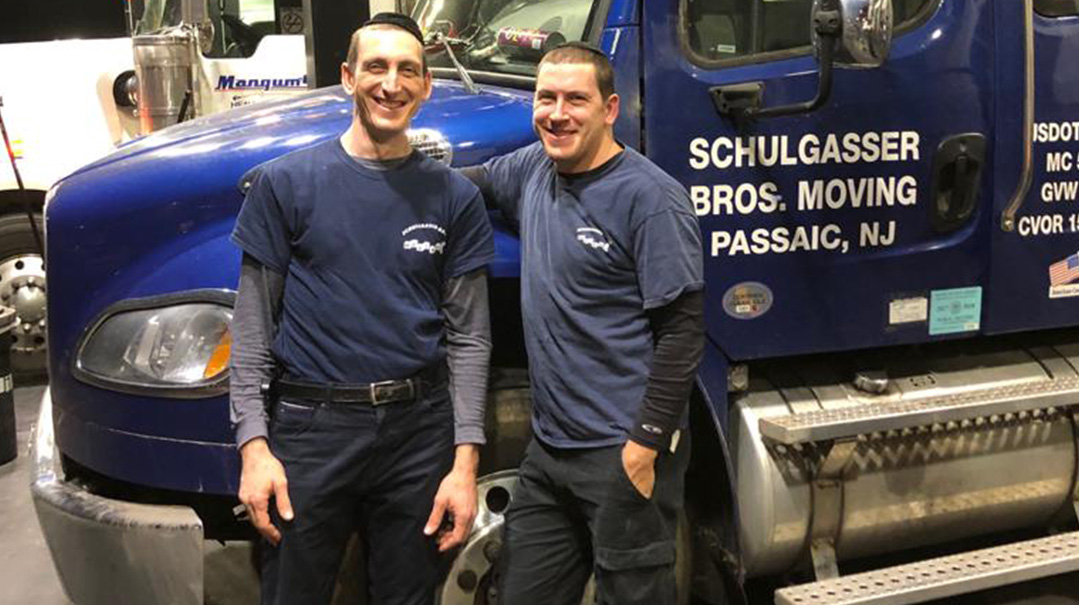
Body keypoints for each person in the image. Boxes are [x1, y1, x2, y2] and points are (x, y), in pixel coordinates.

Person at [229, 13, 495, 605]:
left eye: (407, 71)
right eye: (376, 67)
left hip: (418, 434)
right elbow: (251, 329)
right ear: (349, 77)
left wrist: (464, 464)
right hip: (311, 431)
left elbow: (470, 338)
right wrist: (254, 447)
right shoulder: (286, 184)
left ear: (426, 86)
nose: (391, 84)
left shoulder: (454, 197)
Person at [462, 42, 705, 604]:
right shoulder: (533, 169)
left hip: (620, 450)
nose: (557, 114)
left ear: (610, 109)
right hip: (549, 452)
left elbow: (682, 332)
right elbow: (469, 183)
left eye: (575, 99)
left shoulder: (651, 200)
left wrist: (644, 445)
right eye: (545, 98)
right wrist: (386, 170)